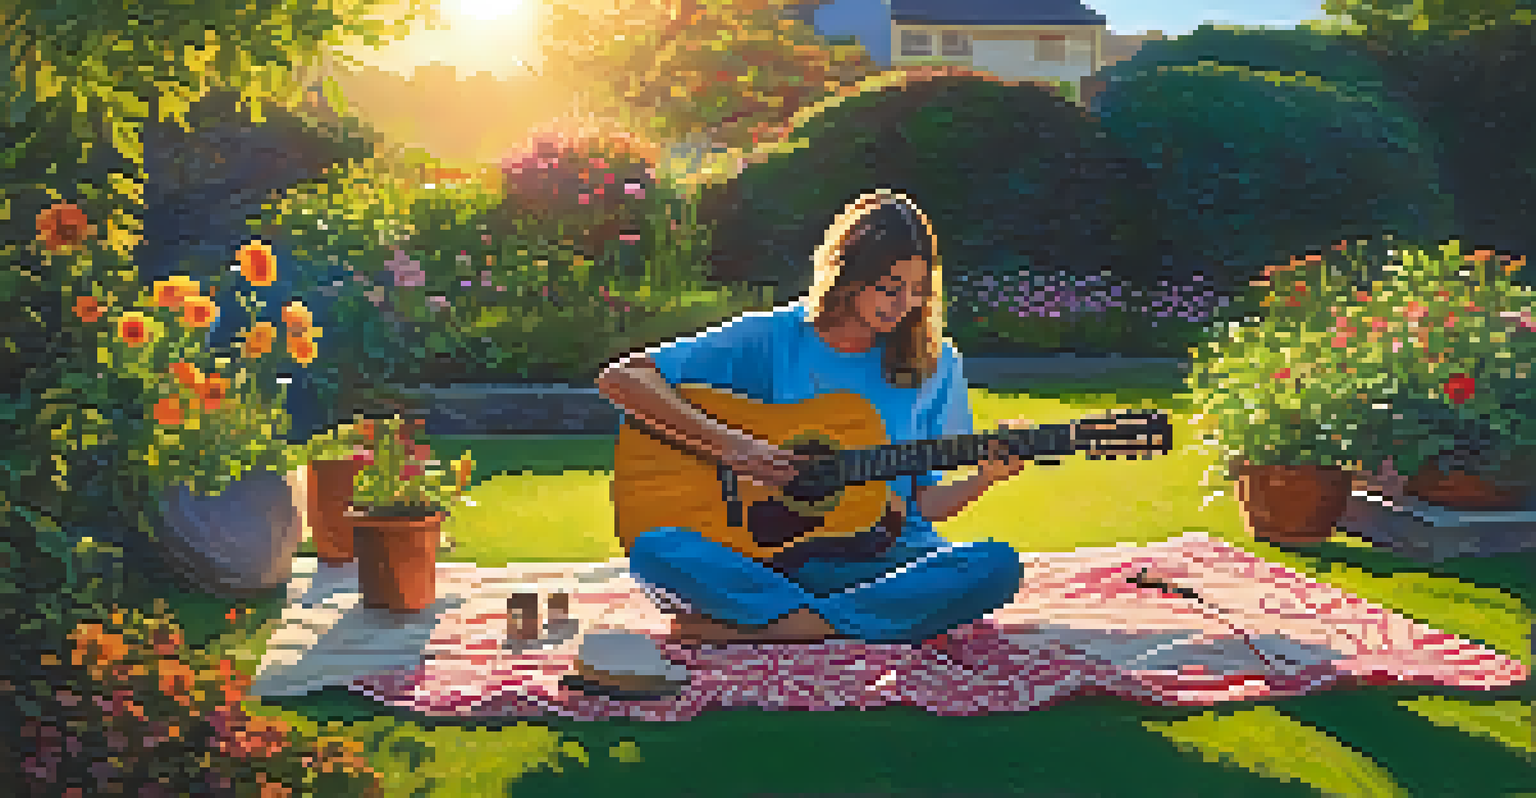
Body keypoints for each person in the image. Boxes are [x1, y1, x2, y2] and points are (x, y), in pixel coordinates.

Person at [575, 188, 1032, 696]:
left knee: (994, 563)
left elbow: (924, 502)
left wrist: (985, 476)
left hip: (882, 558)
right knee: (657, 550)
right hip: (768, 557)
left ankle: (784, 626)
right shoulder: (770, 339)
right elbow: (623, 379)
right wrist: (734, 447)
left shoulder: (933, 363)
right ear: (846, 274)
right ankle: (844, 620)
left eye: (918, 289)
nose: (905, 304)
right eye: (889, 287)